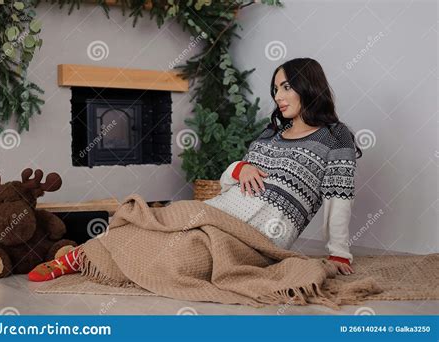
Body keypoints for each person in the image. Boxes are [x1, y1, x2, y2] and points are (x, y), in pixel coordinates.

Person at [28, 57, 360, 282]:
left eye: (286, 86)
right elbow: (228, 181)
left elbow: (338, 197)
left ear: (308, 85)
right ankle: (78, 259)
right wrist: (241, 168)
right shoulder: (270, 133)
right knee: (156, 224)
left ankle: (102, 263)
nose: (278, 96)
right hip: (224, 208)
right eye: (275, 89)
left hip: (264, 233)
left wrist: (339, 254)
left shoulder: (335, 136)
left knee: (185, 256)